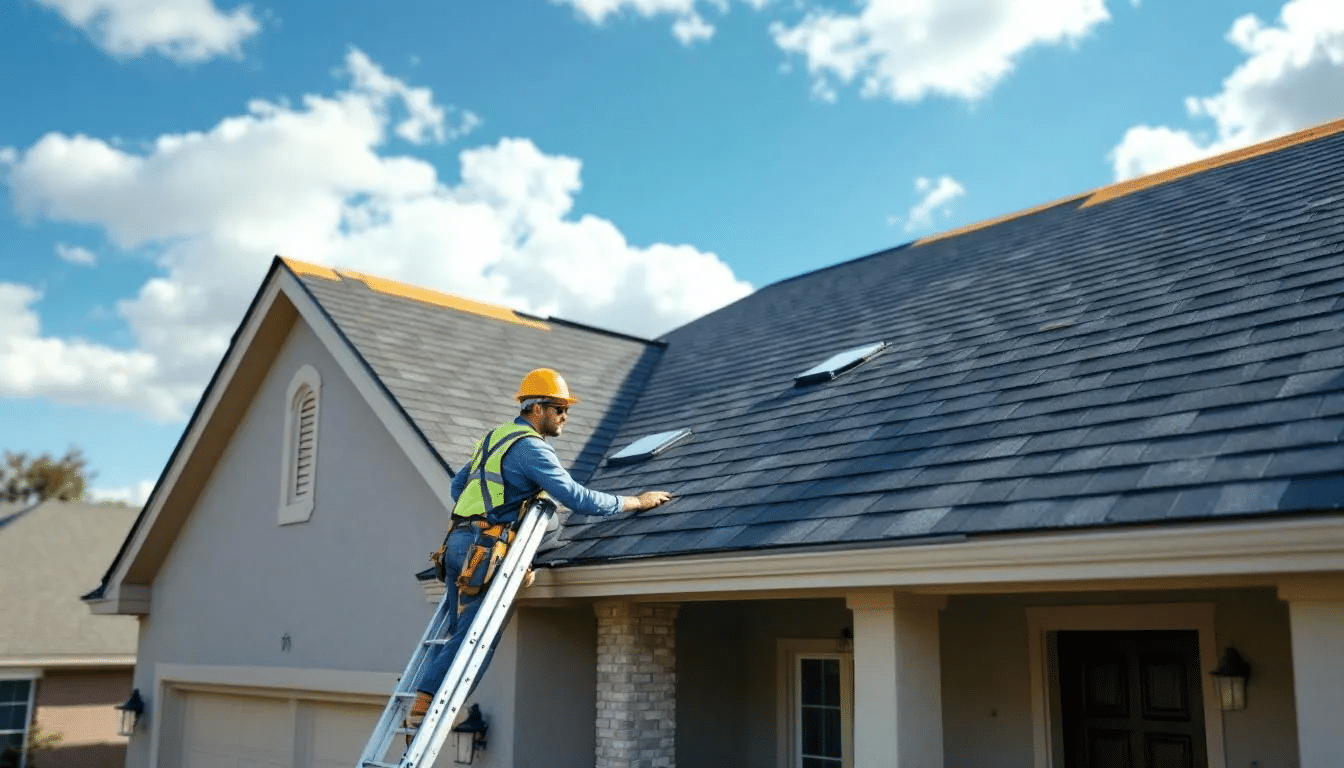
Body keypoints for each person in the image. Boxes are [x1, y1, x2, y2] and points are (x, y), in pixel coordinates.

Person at [407, 368, 672, 733]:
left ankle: (425, 697)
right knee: (476, 635)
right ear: (536, 408)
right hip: (483, 550)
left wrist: (502, 511)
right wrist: (634, 502)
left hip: (457, 543)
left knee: (458, 630)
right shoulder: (531, 448)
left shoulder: (494, 438)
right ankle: (426, 705)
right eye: (560, 408)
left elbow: (458, 489)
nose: (565, 416)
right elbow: (576, 497)